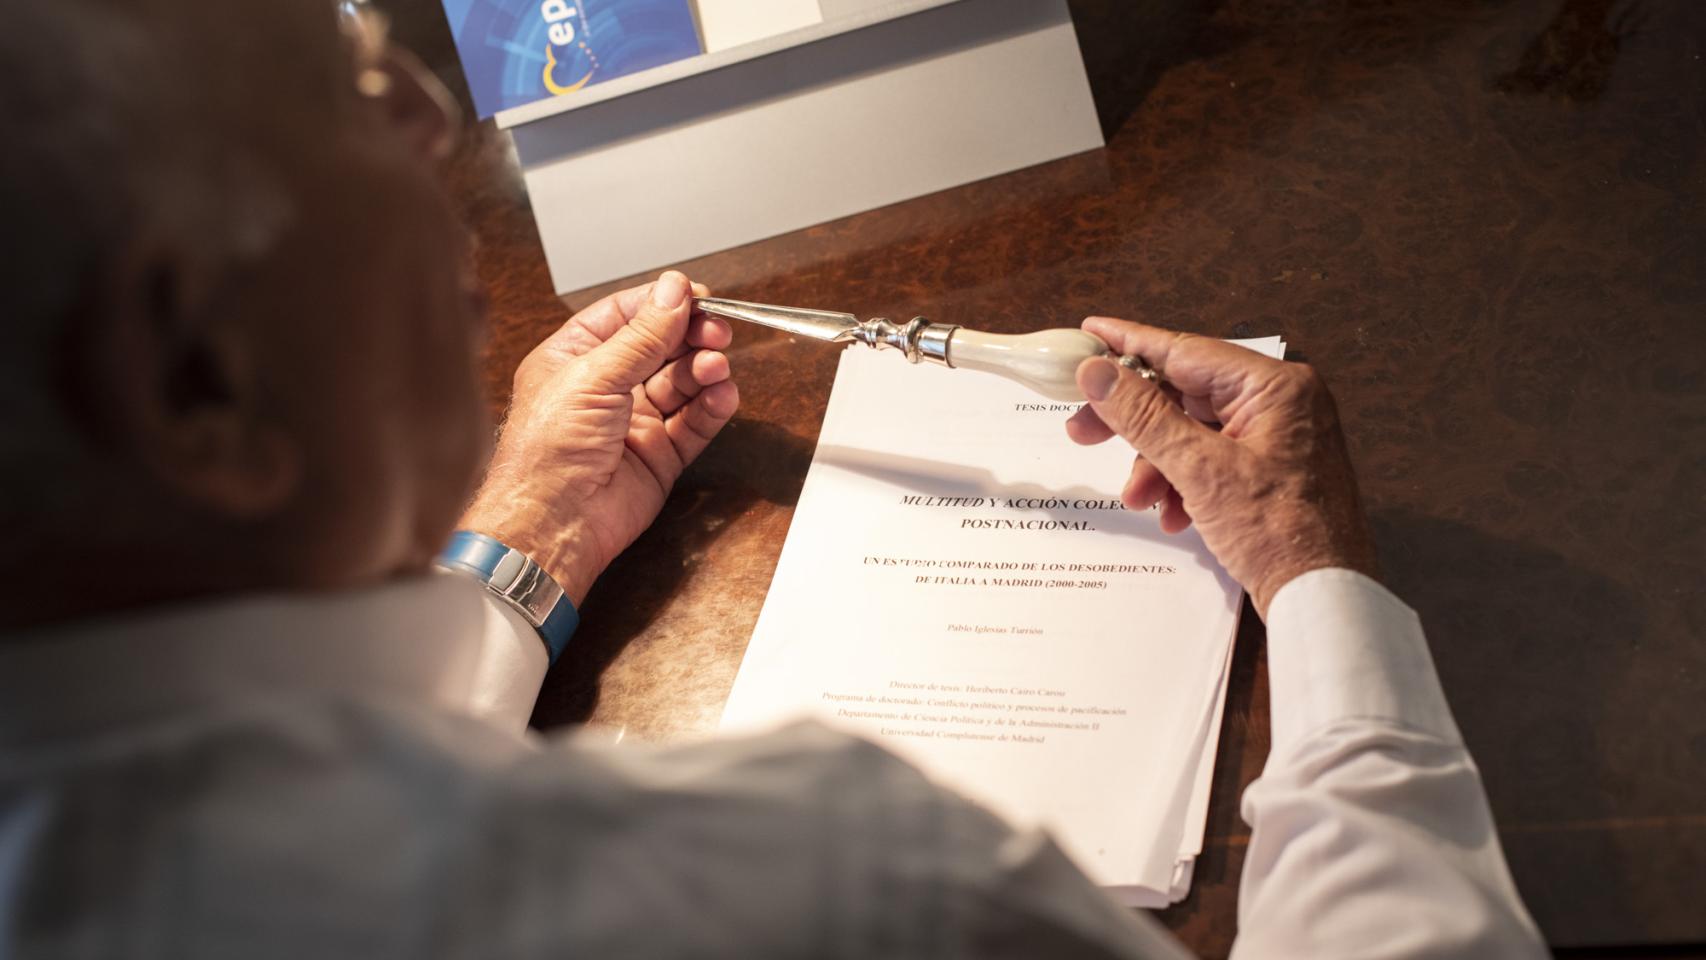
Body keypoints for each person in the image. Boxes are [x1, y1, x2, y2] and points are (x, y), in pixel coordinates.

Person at [0, 0, 1545, 956]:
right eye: (330, 83)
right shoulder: (820, 885)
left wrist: (522, 547)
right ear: (189, 373)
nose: (427, 112)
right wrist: (1318, 585)